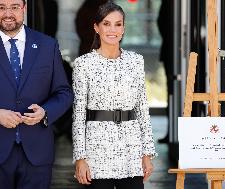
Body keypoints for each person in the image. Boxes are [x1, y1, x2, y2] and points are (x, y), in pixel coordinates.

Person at [72, 2, 157, 189]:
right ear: (96, 27)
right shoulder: (83, 64)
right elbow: (78, 114)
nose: (112, 30)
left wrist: (147, 154)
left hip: (131, 148)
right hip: (97, 150)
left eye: (118, 24)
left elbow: (142, 108)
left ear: (124, 28)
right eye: (106, 23)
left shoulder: (135, 61)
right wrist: (80, 158)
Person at [0, 0, 74, 188]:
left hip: (37, 155)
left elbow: (64, 92)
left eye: (14, 6)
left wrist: (46, 112)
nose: (8, 13)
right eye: (1, 7)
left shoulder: (47, 46)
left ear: (24, 8)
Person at [157, 0, 173, 143]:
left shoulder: (169, 4)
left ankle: (173, 132)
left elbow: (161, 22)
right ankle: (174, 132)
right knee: (173, 92)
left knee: (172, 92)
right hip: (172, 51)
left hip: (171, 50)